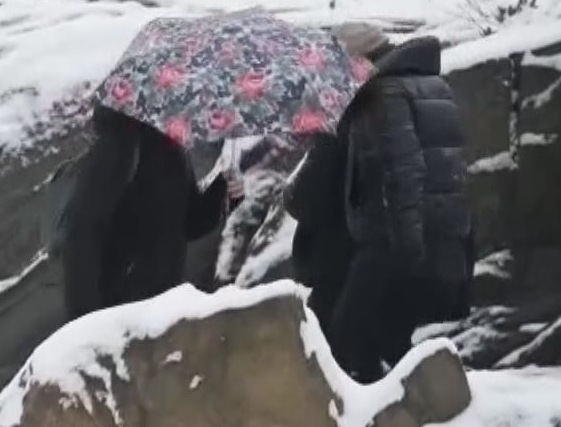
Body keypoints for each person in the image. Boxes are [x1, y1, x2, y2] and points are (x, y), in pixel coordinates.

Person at [325, 23, 474, 381]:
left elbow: (405, 168)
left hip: (396, 238)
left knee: (345, 338)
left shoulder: (384, 92)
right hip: (441, 232)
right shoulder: (428, 83)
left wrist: (407, 248)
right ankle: (427, 407)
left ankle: (379, 419)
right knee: (387, 336)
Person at [56, 105, 243, 319]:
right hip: (118, 314)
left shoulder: (173, 149)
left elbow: (188, 224)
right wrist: (84, 319)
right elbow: (82, 230)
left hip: (160, 307)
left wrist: (222, 191)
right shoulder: (118, 145)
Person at [285, 131, 351, 328]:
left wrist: (289, 190)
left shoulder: (333, 138)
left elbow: (299, 200)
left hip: (333, 260)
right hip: (374, 256)